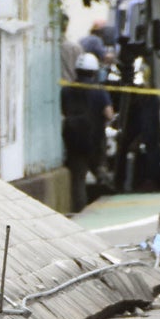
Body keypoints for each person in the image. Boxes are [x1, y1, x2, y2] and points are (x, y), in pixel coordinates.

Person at [61, 52, 114, 212]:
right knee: (101, 174)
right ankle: (105, 204)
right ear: (94, 71)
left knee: (78, 180)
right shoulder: (99, 90)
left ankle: (80, 211)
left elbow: (64, 110)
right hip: (95, 140)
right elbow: (109, 114)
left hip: (73, 140)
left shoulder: (66, 90)